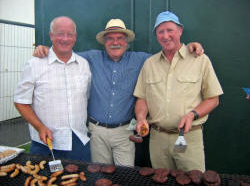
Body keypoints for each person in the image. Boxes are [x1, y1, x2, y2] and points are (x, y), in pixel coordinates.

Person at [33, 18, 204, 166]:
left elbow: (168, 53)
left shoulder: (142, 59)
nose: (115, 42)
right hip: (97, 132)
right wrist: (45, 49)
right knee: (100, 174)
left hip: (124, 133)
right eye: (110, 39)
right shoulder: (91, 57)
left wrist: (189, 47)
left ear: (127, 42)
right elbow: (64, 53)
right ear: (104, 42)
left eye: (120, 38)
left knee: (125, 174)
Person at [134, 11, 223, 172]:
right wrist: (141, 118)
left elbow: (213, 99)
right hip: (157, 140)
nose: (165, 36)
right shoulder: (149, 64)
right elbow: (142, 98)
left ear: (180, 31)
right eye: (160, 32)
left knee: (193, 180)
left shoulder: (200, 59)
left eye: (170, 30)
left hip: (188, 138)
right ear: (156, 35)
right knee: (161, 181)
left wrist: (192, 115)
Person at [14, 16, 91, 161]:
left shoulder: (84, 64)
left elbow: (86, 97)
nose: (65, 38)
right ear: (51, 36)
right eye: (60, 33)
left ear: (75, 37)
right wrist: (39, 127)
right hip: (45, 143)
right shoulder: (34, 64)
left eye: (69, 34)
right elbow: (20, 102)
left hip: (78, 141)